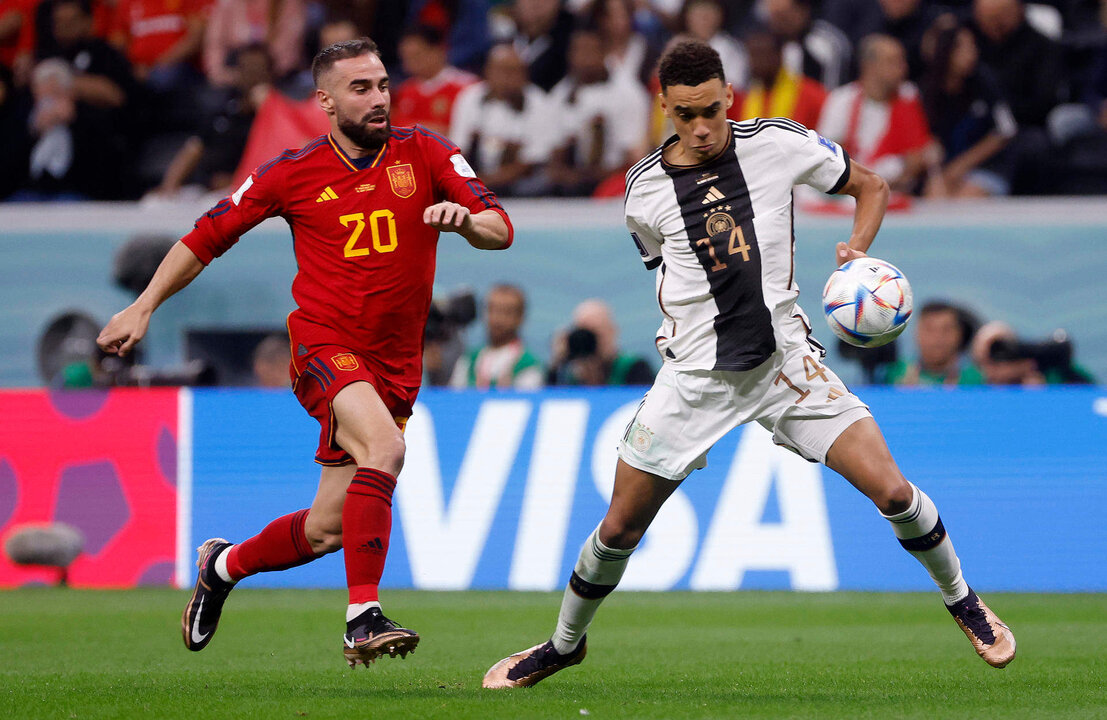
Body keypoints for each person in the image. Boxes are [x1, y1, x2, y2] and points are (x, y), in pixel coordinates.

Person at [483, 39, 1014, 690]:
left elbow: (870, 185)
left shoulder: (778, 143)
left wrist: (856, 250)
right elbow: (666, 275)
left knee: (893, 491)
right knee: (618, 526)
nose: (700, 127)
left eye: (709, 109)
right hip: (693, 379)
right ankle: (563, 644)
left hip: (783, 365)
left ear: (728, 95)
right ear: (664, 109)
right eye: (684, 115)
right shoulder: (642, 192)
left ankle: (964, 602)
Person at [96, 37, 513, 667]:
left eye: (381, 85)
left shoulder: (428, 151)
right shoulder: (291, 172)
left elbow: (499, 228)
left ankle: (223, 566)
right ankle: (362, 618)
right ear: (324, 100)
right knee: (387, 449)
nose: (378, 99)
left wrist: (465, 223)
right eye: (359, 88)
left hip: (396, 364)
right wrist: (145, 304)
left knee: (324, 530)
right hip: (324, 347)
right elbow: (207, 235)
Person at [817, 34, 934, 193]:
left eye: (902, 61)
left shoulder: (908, 98)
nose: (903, 68)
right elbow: (828, 156)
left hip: (892, 192)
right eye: (893, 62)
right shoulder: (842, 99)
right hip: (847, 191)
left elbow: (916, 158)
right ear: (869, 66)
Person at [450, 284, 544, 389]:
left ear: (520, 318)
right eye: (492, 310)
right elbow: (454, 398)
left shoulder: (529, 365)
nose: (497, 319)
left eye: (506, 312)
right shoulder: (468, 360)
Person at [547, 299, 654, 386]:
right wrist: (557, 364)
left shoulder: (633, 369)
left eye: (596, 334)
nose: (588, 342)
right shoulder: (568, 375)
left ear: (612, 331)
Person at [883, 300, 983, 386]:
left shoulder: (977, 380)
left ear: (960, 334)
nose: (938, 337)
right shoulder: (894, 374)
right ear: (917, 333)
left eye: (946, 330)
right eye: (929, 329)